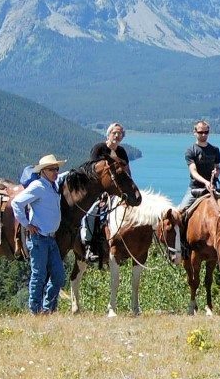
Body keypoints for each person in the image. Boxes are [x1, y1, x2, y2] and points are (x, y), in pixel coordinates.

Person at [176, 120, 220, 253]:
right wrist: (205, 182)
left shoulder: (214, 150)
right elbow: (193, 171)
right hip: (195, 189)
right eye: (200, 132)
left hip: (213, 189)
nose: (203, 135)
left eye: (206, 132)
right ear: (195, 133)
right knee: (180, 213)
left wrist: (217, 172)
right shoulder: (190, 151)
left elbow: (218, 167)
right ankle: (183, 245)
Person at [11, 154, 69, 315]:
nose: (55, 172)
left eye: (57, 169)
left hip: (50, 239)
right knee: (39, 276)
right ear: (43, 171)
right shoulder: (37, 186)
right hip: (39, 239)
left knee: (58, 276)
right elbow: (16, 202)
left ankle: (47, 309)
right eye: (52, 169)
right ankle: (35, 311)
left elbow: (63, 176)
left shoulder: (52, 184)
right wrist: (27, 225)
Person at [81, 122, 133, 263]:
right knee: (90, 214)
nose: (117, 135)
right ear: (108, 134)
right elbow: (93, 172)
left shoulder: (121, 151)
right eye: (114, 133)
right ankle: (88, 245)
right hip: (98, 191)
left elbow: (127, 172)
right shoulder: (99, 149)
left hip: (117, 191)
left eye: (120, 133)